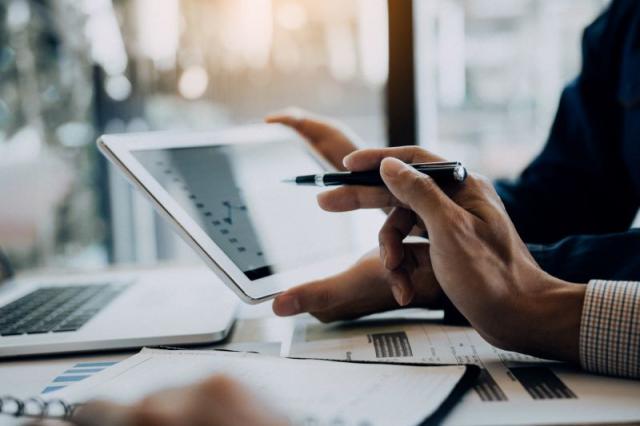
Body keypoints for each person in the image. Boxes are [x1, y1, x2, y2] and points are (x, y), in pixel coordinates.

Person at [62, 0, 639, 424]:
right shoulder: (623, 26)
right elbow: (565, 197)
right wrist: (415, 200)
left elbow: (529, 252)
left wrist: (524, 300)